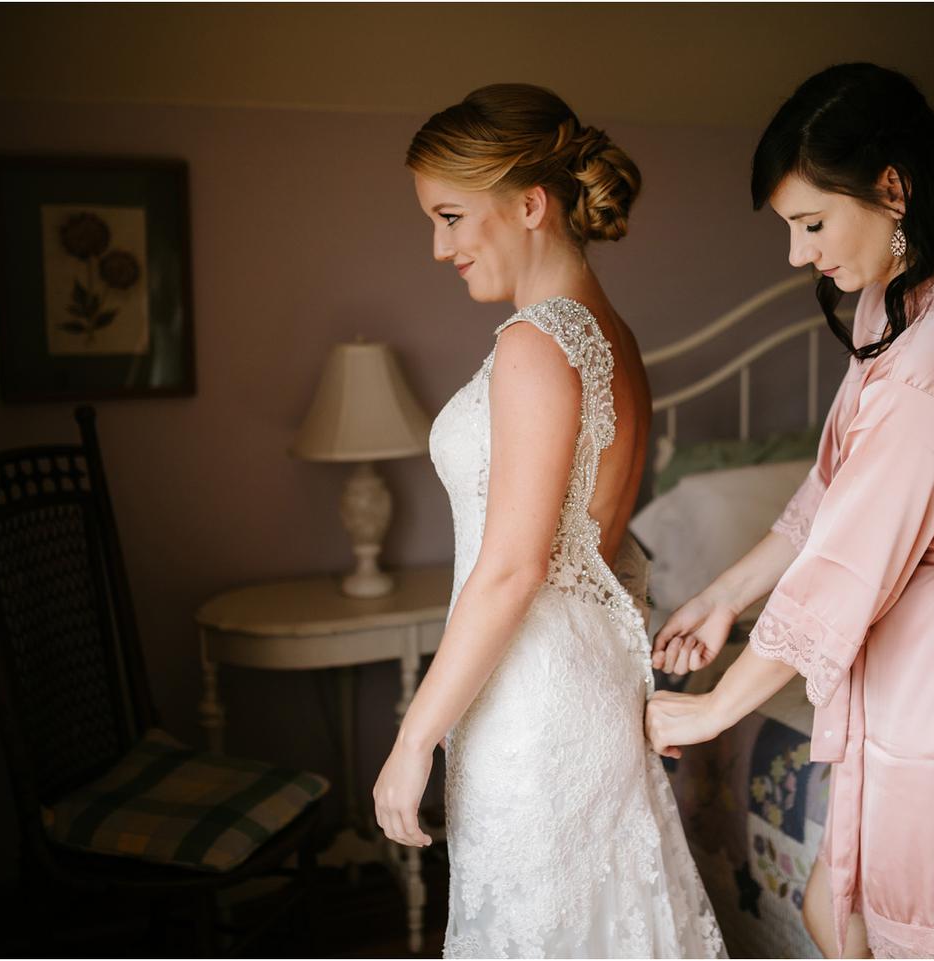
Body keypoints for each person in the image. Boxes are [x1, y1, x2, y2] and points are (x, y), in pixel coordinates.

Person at [645, 63, 934, 959]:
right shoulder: (906, 303)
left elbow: (841, 574)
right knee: (841, 910)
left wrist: (713, 708)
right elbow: (833, 493)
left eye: (812, 223)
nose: (796, 254)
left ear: (892, 189)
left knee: (912, 926)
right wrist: (723, 595)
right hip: (933, 646)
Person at [371, 83, 726, 960]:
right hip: (581, 686)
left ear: (531, 204)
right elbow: (595, 545)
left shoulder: (537, 344)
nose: (440, 246)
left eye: (451, 217)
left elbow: (513, 566)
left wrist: (414, 738)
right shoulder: (612, 336)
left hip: (532, 705)